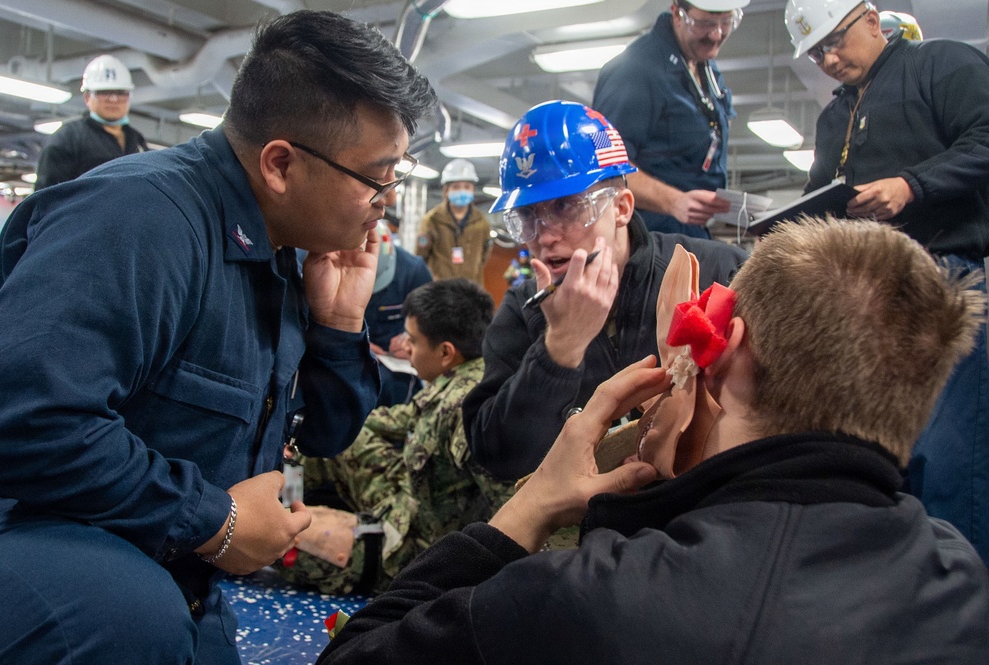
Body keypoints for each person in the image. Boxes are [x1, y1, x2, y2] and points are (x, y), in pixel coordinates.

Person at [318, 218, 989, 665]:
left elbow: (357, 655)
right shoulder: (960, 584)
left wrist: (533, 507)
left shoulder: (587, 600)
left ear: (724, 352)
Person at [0, 10, 436, 665]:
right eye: (377, 177)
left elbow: (322, 437)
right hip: (43, 531)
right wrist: (213, 519)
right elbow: (20, 417)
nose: (386, 201)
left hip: (168, 559)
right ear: (281, 164)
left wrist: (339, 327)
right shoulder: (140, 221)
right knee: (126, 617)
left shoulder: (282, 249)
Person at [786, 0, 989, 564]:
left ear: (873, 21)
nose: (827, 58)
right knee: (877, 452)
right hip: (868, 297)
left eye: (835, 41)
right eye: (816, 51)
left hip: (943, 283)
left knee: (949, 457)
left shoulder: (941, 65)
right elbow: (818, 195)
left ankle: (963, 593)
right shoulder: (834, 118)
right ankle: (902, 581)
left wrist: (912, 186)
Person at [463, 100, 746, 482]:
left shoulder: (716, 271)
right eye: (527, 216)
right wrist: (560, 351)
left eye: (566, 206)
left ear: (622, 208)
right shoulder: (523, 311)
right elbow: (499, 459)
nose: (545, 236)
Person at [278, 278, 510, 596]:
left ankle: (282, 510)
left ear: (446, 352)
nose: (406, 348)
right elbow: (394, 421)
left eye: (413, 341)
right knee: (342, 439)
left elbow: (510, 510)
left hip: (413, 556)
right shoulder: (458, 383)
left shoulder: (469, 410)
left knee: (276, 538)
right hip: (407, 508)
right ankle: (286, 498)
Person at [591, 0, 749, 238]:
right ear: (677, 13)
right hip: (647, 240)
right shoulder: (634, 70)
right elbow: (605, 162)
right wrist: (673, 201)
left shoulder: (707, 71)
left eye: (726, 22)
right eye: (704, 23)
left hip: (692, 233)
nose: (716, 34)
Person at [35, 54, 148, 190]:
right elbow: (47, 195)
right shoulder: (67, 138)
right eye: (104, 92)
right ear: (87, 97)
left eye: (120, 92)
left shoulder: (136, 140)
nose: (113, 99)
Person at [367, 220, 433, 407]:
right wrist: (355, 344)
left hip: (394, 360)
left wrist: (411, 341)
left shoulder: (414, 271)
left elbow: (432, 325)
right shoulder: (322, 262)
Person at [416, 158, 492, 284]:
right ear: (446, 190)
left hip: (471, 290)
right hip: (440, 291)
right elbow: (421, 256)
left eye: (467, 187)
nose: (462, 191)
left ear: (473, 190)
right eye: (456, 187)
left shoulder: (482, 222)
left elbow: (484, 256)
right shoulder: (432, 220)